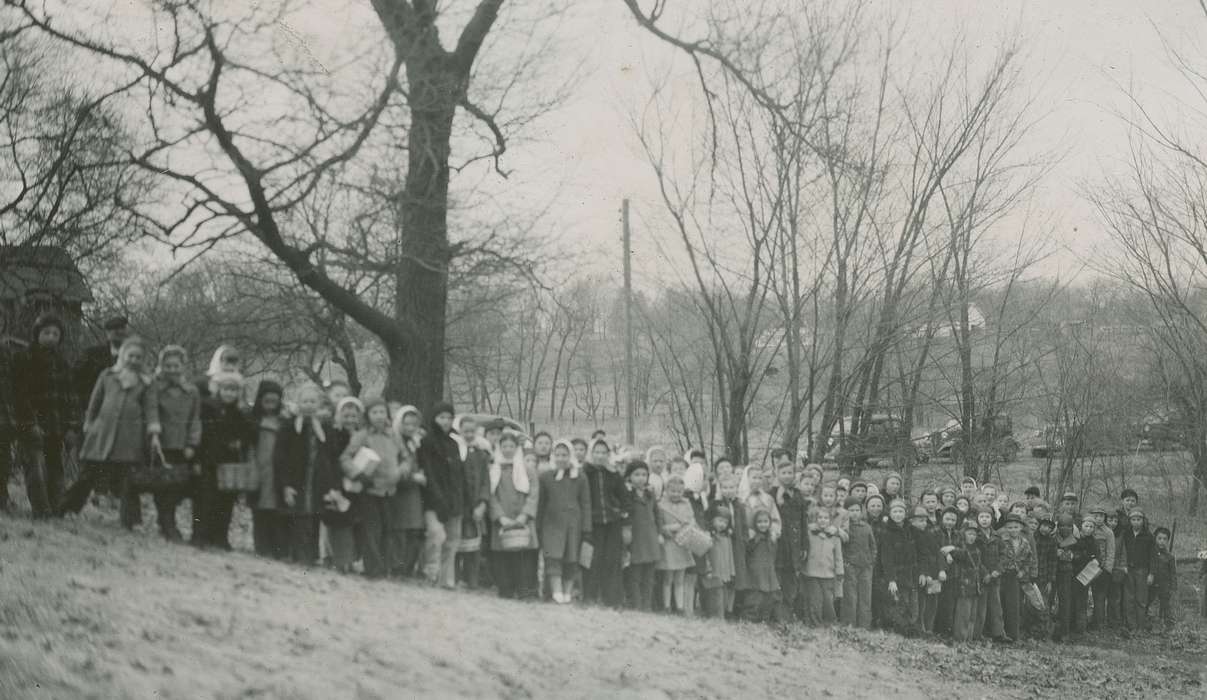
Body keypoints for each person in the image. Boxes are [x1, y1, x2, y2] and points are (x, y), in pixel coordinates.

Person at [58, 336, 151, 529]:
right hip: (102, 434)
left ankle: (132, 521)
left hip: (129, 438)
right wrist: (89, 423)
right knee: (88, 475)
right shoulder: (108, 375)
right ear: (123, 356)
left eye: (138, 357)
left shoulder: (145, 382)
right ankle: (65, 508)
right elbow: (95, 402)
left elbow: (150, 409)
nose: (134, 360)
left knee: (129, 480)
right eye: (130, 355)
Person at [14, 314, 80, 518]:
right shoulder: (26, 358)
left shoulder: (63, 363)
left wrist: (71, 426)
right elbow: (20, 394)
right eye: (46, 333)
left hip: (56, 426)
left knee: (55, 468)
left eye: (55, 334)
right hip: (32, 424)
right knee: (36, 467)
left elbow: (71, 397)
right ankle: (41, 511)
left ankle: (56, 508)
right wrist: (29, 422)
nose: (51, 337)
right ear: (37, 334)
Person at [275, 384, 344, 566]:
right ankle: (300, 555)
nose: (309, 405)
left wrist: (333, 485)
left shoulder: (324, 428)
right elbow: (281, 457)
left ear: (319, 404)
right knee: (299, 516)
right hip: (297, 479)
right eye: (305, 401)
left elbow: (332, 456)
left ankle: (312, 555)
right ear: (298, 403)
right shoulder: (290, 426)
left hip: (317, 480)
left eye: (312, 401)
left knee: (315, 516)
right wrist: (285, 484)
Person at [340, 397, 405, 579]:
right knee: (372, 530)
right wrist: (358, 474)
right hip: (370, 490)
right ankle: (373, 569)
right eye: (374, 412)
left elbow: (407, 458)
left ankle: (385, 567)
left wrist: (400, 472)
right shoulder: (362, 435)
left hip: (390, 490)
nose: (378, 416)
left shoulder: (393, 435)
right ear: (368, 415)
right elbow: (345, 458)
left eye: (382, 412)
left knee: (388, 529)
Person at [144, 345, 202, 541]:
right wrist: (153, 435)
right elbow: (151, 410)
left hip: (182, 446)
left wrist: (192, 444)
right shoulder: (155, 387)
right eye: (168, 366)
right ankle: (168, 525)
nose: (172, 370)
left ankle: (166, 521)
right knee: (162, 486)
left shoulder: (192, 391)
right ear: (162, 366)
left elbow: (195, 419)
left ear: (182, 367)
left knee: (178, 486)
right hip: (161, 445)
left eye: (176, 366)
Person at [193, 371, 247, 550]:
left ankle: (220, 537)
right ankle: (200, 535)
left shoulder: (238, 413)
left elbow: (244, 433)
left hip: (228, 462)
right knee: (205, 498)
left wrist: (239, 441)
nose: (229, 394)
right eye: (226, 389)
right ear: (219, 390)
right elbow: (203, 434)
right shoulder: (208, 407)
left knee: (226, 500)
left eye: (233, 390)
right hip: (209, 459)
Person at [418, 401, 467, 589]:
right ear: (434, 419)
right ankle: (430, 574)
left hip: (454, 501)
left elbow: (458, 475)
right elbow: (429, 473)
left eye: (449, 417)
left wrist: (460, 499)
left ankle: (446, 580)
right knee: (436, 537)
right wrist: (438, 498)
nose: (446, 421)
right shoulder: (427, 442)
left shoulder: (454, 444)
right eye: (441, 417)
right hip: (434, 500)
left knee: (452, 542)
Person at [538, 439, 592, 604]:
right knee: (553, 557)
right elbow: (541, 503)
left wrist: (586, 527)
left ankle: (568, 592)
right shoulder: (546, 477)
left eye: (565, 455)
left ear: (570, 456)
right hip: (552, 523)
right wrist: (539, 525)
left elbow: (585, 503)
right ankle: (557, 591)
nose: (561, 458)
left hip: (573, 524)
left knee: (572, 558)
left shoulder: (580, 476)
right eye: (558, 455)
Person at [487, 432, 539, 600]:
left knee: (523, 555)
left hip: (522, 519)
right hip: (502, 519)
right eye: (504, 446)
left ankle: (524, 590)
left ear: (517, 448)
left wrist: (525, 515)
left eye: (511, 446)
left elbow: (534, 494)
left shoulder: (527, 469)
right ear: (499, 448)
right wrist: (500, 517)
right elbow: (490, 495)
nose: (508, 450)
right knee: (503, 555)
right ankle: (505, 589)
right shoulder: (494, 470)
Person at [583, 437, 628, 608]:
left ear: (608, 454)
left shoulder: (613, 474)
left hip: (612, 523)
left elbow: (623, 498)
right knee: (593, 559)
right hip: (593, 523)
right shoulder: (585, 472)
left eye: (603, 452)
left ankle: (612, 600)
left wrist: (620, 513)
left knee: (612, 560)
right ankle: (590, 596)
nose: (600, 456)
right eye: (597, 452)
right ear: (591, 453)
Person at [248, 380, 287, 559]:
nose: (271, 403)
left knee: (278, 511)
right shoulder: (253, 420)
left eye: (275, 400)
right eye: (267, 399)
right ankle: (262, 547)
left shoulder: (284, 421)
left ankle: (278, 548)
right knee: (260, 510)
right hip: (258, 469)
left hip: (278, 471)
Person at [769, 457, 810, 623]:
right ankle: (777, 616)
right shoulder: (771, 494)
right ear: (777, 474)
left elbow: (803, 522)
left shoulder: (798, 495)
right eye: (783, 473)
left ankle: (787, 613)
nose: (787, 476)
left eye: (790, 473)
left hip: (794, 546)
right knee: (777, 580)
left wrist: (804, 545)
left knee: (791, 582)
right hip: (779, 545)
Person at [390, 406, 428, 578]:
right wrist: (413, 477)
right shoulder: (395, 441)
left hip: (414, 492)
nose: (410, 428)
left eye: (414, 424)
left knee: (414, 530)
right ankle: (398, 567)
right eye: (406, 424)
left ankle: (407, 568)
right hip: (400, 490)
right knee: (400, 530)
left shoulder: (415, 441)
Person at [455, 416, 491, 589]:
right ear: (460, 431)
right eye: (465, 431)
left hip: (476, 505)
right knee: (456, 542)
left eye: (472, 431)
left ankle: (472, 581)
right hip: (459, 505)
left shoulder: (481, 454)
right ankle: (454, 578)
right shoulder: (456, 453)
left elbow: (486, 481)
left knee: (475, 545)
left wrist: (483, 504)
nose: (469, 435)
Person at [658, 474, 699, 616]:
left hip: (683, 542)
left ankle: (680, 607)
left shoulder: (686, 504)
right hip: (669, 543)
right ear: (666, 490)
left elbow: (691, 521)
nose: (676, 494)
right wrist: (668, 529)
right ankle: (666, 606)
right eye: (672, 491)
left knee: (680, 578)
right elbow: (659, 524)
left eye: (679, 492)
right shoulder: (661, 504)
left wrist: (685, 529)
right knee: (668, 577)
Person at [1051, 512, 1094, 642]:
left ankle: (1065, 632)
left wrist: (1071, 556)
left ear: (1073, 527)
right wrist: (1056, 553)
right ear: (1058, 526)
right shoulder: (1053, 539)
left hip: (1068, 575)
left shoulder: (1077, 541)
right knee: (1049, 601)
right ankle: (1048, 630)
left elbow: (1082, 557)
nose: (1065, 529)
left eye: (1068, 526)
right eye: (1062, 526)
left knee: (1066, 603)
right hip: (1053, 573)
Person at [624, 459, 660, 611]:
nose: (641, 478)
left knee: (649, 577)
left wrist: (659, 533)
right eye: (637, 474)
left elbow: (657, 515)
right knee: (635, 576)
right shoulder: (627, 495)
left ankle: (646, 606)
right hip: (635, 539)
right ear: (629, 477)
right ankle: (637, 606)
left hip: (650, 539)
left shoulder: (650, 495)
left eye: (644, 474)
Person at [878, 499, 918, 636]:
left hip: (909, 573)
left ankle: (907, 632)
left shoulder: (910, 530)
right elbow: (886, 558)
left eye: (901, 511)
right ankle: (897, 633)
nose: (898, 514)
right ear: (890, 513)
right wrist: (891, 579)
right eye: (895, 511)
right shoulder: (887, 532)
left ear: (905, 513)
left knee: (908, 604)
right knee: (897, 604)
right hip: (895, 575)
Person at [74, 315, 129, 411]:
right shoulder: (92, 354)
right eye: (115, 330)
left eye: (122, 329)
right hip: (97, 409)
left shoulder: (133, 356)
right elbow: (77, 380)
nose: (120, 332)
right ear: (107, 333)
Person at [997, 512, 1037, 643]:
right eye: (1010, 527)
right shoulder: (1001, 540)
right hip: (1001, 575)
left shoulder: (1025, 542)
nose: (1013, 530)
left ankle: (1013, 635)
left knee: (1013, 605)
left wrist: (1023, 571)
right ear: (1006, 528)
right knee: (999, 604)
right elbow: (996, 556)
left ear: (1020, 528)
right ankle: (999, 634)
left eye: (1015, 527)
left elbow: (1028, 560)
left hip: (1015, 577)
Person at [803, 508, 843, 626]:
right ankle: (814, 622)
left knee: (828, 600)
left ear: (830, 521)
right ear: (815, 519)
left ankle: (830, 621)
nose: (822, 520)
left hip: (828, 573)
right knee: (815, 599)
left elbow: (838, 556)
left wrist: (840, 571)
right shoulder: (809, 533)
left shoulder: (835, 537)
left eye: (826, 518)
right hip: (812, 572)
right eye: (820, 518)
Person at [841, 496, 876, 629]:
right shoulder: (845, 527)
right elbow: (841, 547)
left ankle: (864, 626)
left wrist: (871, 561)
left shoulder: (866, 527)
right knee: (850, 597)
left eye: (857, 510)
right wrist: (845, 562)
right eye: (851, 510)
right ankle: (849, 625)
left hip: (866, 567)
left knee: (865, 598)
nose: (854, 513)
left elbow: (873, 546)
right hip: (850, 566)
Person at [973, 506, 1007, 641]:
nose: (984, 520)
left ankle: (998, 633)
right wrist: (985, 573)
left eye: (987, 517)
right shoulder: (976, 536)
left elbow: (1004, 555)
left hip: (995, 577)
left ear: (992, 519)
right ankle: (977, 634)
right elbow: (975, 557)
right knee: (981, 608)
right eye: (982, 517)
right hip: (981, 577)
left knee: (996, 607)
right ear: (977, 519)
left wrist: (997, 571)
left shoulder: (997, 536)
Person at [948, 521, 985, 642]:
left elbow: (979, 565)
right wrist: (952, 548)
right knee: (963, 614)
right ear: (963, 534)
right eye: (969, 534)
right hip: (964, 586)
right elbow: (962, 554)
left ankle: (969, 638)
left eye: (974, 534)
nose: (972, 537)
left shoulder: (977, 549)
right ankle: (960, 638)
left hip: (975, 586)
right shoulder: (960, 547)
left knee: (972, 615)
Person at [1121, 507, 1157, 631]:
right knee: (1128, 598)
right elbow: (1122, 551)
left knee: (1141, 600)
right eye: (1133, 519)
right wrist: (1124, 565)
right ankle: (1131, 625)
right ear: (1130, 521)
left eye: (1139, 519)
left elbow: (1153, 557)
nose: (1136, 522)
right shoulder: (1127, 534)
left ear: (1143, 520)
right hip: (1129, 570)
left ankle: (1140, 627)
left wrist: (1151, 573)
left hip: (1142, 571)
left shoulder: (1149, 536)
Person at [911, 504, 944, 635]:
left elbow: (937, 552)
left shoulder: (929, 534)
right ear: (911, 521)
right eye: (920, 520)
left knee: (932, 604)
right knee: (920, 603)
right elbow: (917, 557)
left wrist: (941, 569)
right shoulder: (911, 536)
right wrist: (925, 573)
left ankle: (929, 629)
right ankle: (920, 629)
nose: (923, 523)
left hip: (933, 573)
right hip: (921, 575)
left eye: (925, 520)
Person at [744, 510, 780, 622]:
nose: (763, 524)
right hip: (756, 571)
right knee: (755, 597)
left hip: (768, 571)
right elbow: (748, 552)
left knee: (770, 596)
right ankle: (750, 618)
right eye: (759, 522)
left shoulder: (772, 538)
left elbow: (774, 553)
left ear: (769, 523)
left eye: (765, 521)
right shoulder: (753, 538)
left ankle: (765, 618)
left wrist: (773, 540)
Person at [1085, 504, 1117, 631]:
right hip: (1087, 568)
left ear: (1104, 517)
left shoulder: (1108, 532)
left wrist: (1108, 569)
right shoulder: (1088, 529)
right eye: (1095, 516)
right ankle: (1084, 620)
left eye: (1101, 516)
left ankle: (1098, 623)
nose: (1098, 518)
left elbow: (1111, 551)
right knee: (1085, 595)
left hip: (1102, 569)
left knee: (1099, 596)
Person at [1151, 527, 1177, 632]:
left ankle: (1168, 626)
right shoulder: (1151, 554)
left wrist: (1173, 588)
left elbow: (1173, 574)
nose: (1161, 541)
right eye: (1159, 538)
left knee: (1165, 606)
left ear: (1168, 541)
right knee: (1152, 605)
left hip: (1164, 586)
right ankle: (1153, 625)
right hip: (1152, 585)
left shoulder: (1170, 557)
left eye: (1164, 539)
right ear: (1155, 539)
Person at [0, 341, 16, 513]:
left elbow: (11, 384)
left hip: (4, 414)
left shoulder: (5, 350)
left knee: (3, 457)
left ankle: (2, 498)